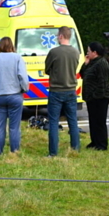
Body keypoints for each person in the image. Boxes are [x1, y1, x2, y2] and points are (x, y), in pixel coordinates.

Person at [0, 36, 28, 156]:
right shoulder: (17, 57)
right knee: (14, 127)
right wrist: (24, 89)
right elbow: (23, 77)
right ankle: (14, 152)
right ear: (12, 46)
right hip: (15, 95)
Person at [44, 25, 81, 156]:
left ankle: (53, 152)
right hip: (71, 89)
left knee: (54, 122)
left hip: (56, 90)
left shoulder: (54, 52)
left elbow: (47, 69)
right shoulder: (76, 52)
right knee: (73, 120)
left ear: (60, 36)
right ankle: (75, 148)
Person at [80, 41, 109, 150]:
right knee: (93, 120)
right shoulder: (92, 62)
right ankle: (94, 141)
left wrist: (95, 95)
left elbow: (103, 83)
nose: (87, 53)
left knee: (99, 121)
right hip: (91, 98)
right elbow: (82, 74)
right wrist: (86, 63)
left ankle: (102, 144)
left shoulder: (102, 63)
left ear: (95, 52)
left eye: (89, 51)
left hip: (100, 98)